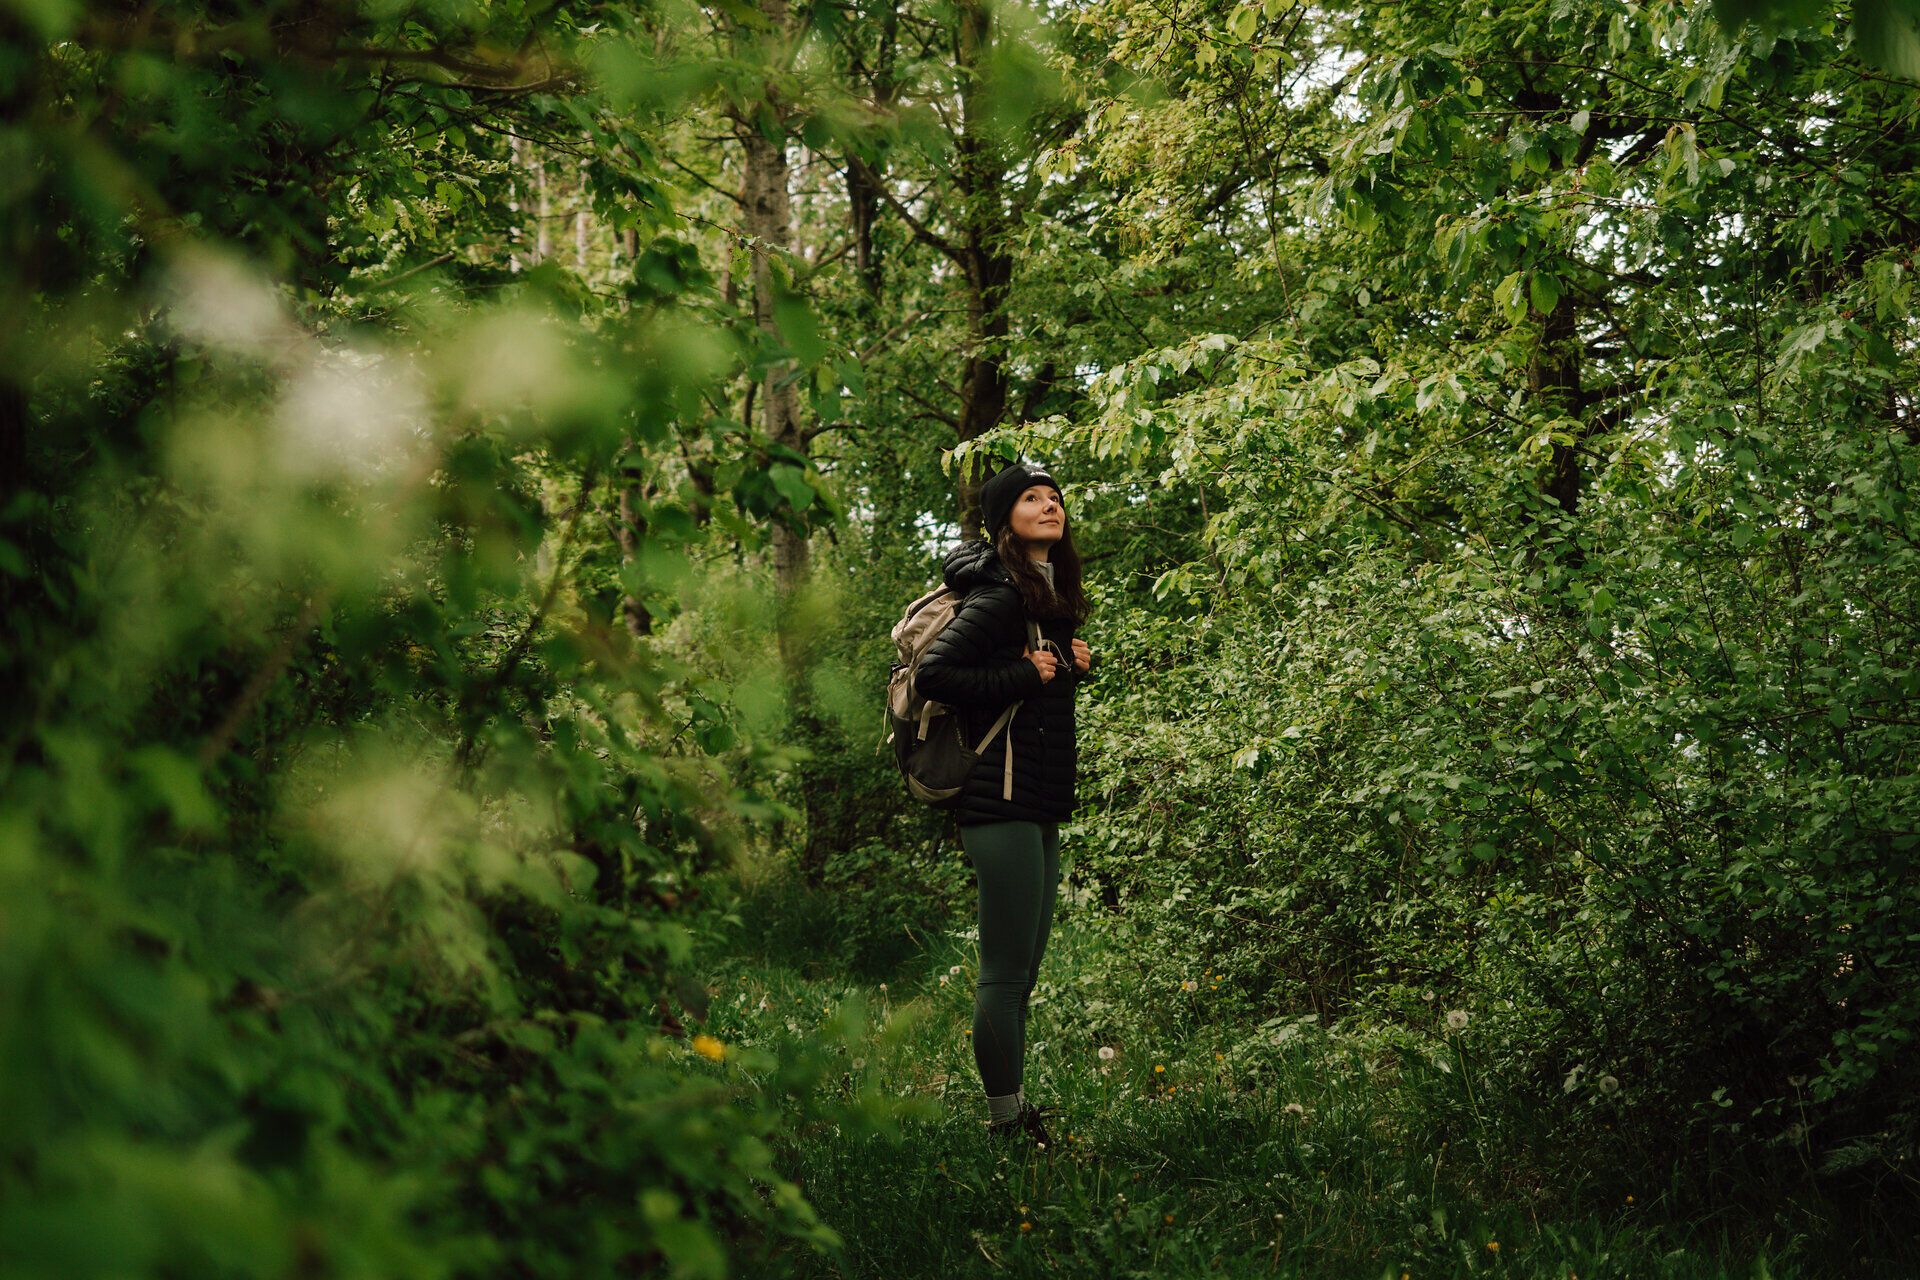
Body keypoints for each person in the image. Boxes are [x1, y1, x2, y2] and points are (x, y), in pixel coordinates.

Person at [913, 461, 1093, 1150]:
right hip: (1000, 804)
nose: (1049, 505)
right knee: (1006, 971)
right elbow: (937, 673)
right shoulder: (1000, 596)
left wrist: (1066, 666)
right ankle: (1006, 1123)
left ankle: (1015, 1112)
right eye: (1030, 498)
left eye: (1054, 497)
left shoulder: (1044, 595)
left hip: (1037, 803)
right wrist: (1027, 670)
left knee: (1025, 975)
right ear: (1002, 520)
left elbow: (1030, 702)